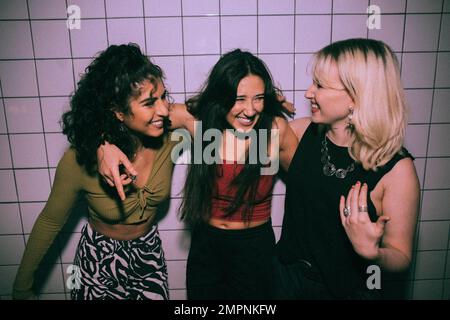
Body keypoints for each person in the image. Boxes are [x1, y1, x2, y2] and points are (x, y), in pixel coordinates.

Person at [97, 49, 298, 299]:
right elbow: (130, 111)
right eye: (239, 99)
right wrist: (102, 145)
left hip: (254, 248)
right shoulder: (199, 122)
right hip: (207, 246)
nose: (249, 110)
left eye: (258, 98)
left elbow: (306, 182)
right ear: (221, 96)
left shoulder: (275, 129)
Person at [13, 43, 177, 300]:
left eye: (164, 96)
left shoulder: (169, 134)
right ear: (118, 112)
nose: (164, 109)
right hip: (98, 261)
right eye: (149, 102)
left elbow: (214, 108)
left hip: (148, 256)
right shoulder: (80, 160)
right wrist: (22, 288)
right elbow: (50, 221)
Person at [274, 38, 420, 299]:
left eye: (320, 85)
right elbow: (234, 138)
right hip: (286, 281)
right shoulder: (300, 132)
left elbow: (401, 255)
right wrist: (260, 100)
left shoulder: (398, 169)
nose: (309, 93)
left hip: (347, 292)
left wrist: (373, 253)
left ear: (356, 96)